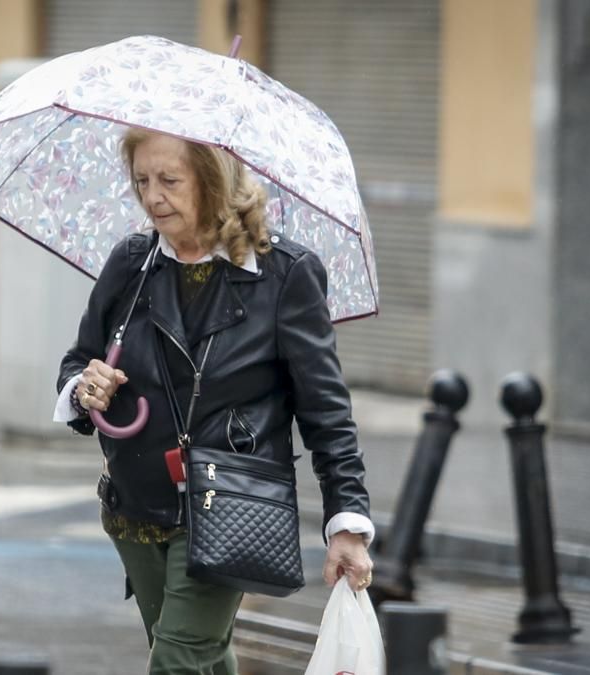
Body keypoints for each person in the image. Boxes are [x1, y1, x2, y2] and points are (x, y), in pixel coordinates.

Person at [54, 129, 373, 674]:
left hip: (232, 508)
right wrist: (86, 389)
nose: (153, 197)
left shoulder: (285, 276)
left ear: (213, 180)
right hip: (136, 506)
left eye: (170, 181)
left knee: (177, 661)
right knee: (198, 659)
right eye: (142, 181)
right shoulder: (131, 264)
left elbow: (325, 410)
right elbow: (80, 358)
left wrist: (347, 520)